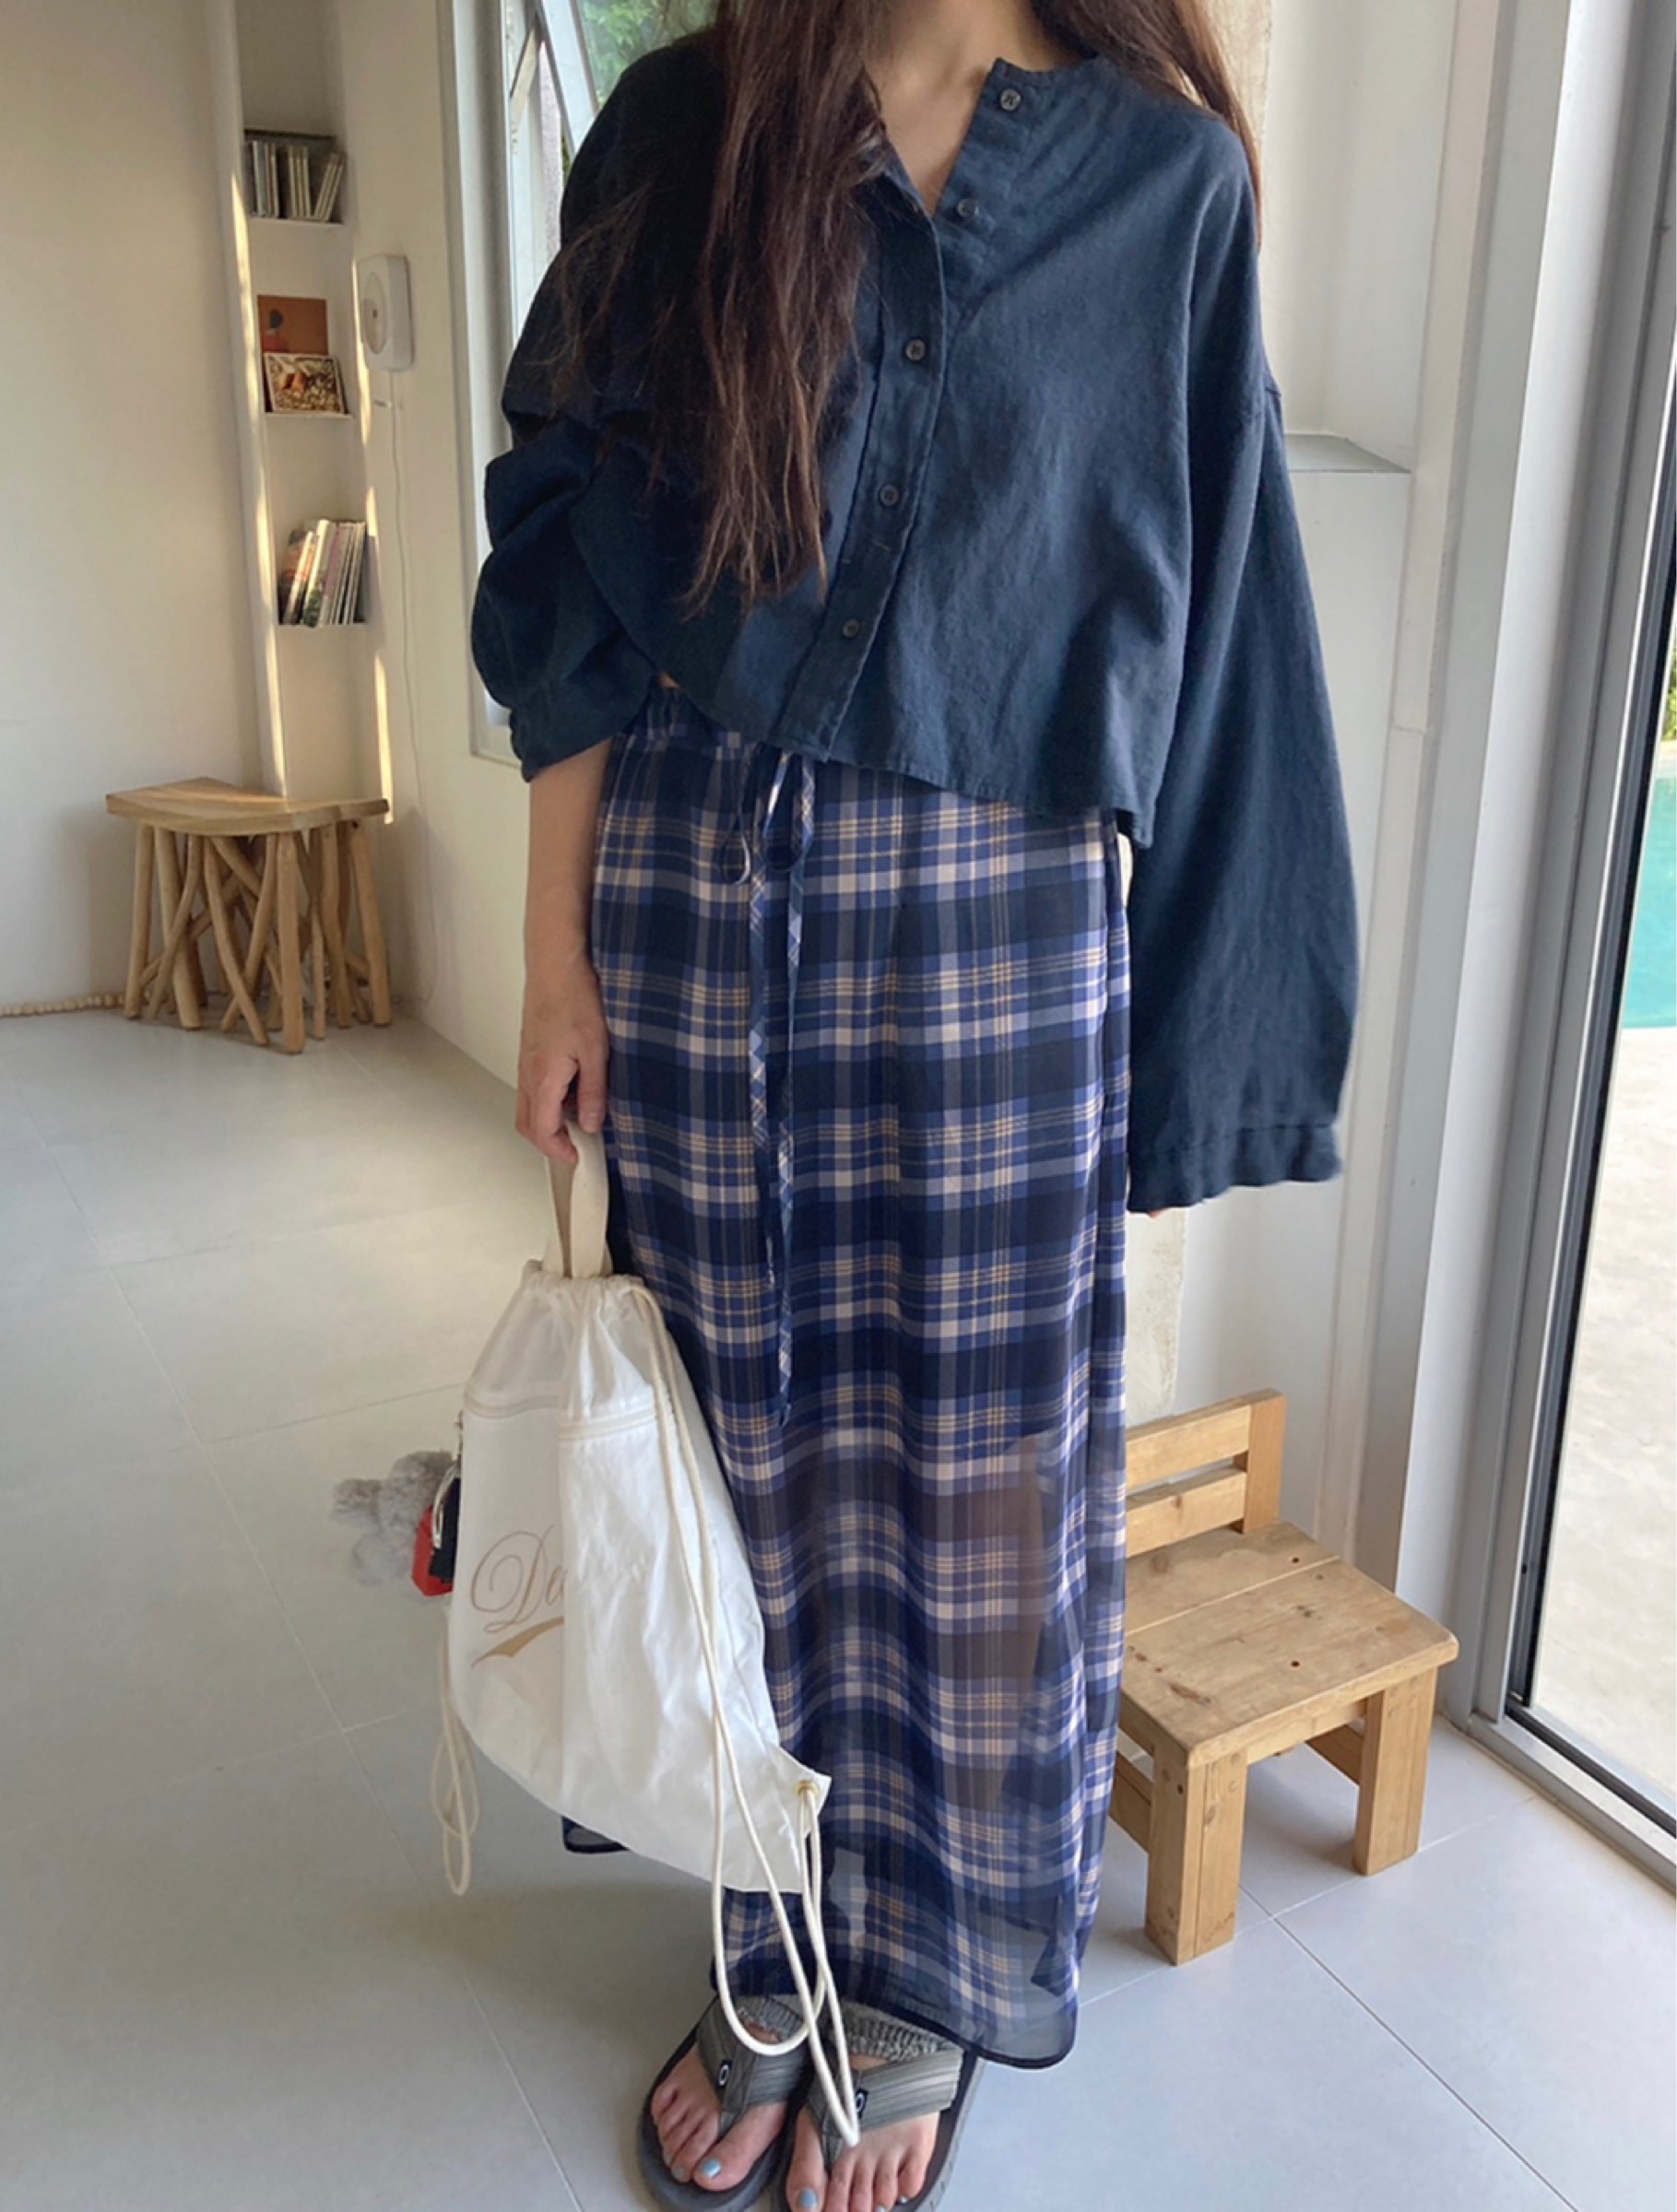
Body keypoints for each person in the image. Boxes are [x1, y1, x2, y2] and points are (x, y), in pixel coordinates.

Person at [469, 4, 1362, 2209]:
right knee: (738, 1467)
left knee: (979, 1502)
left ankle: (927, 1974)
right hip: (694, 887)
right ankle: (767, 1926)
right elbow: (571, 571)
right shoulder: (686, 126)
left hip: (1002, 931)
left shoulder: (1163, 187)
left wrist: (1216, 1038)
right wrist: (554, 950)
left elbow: (1228, 626)